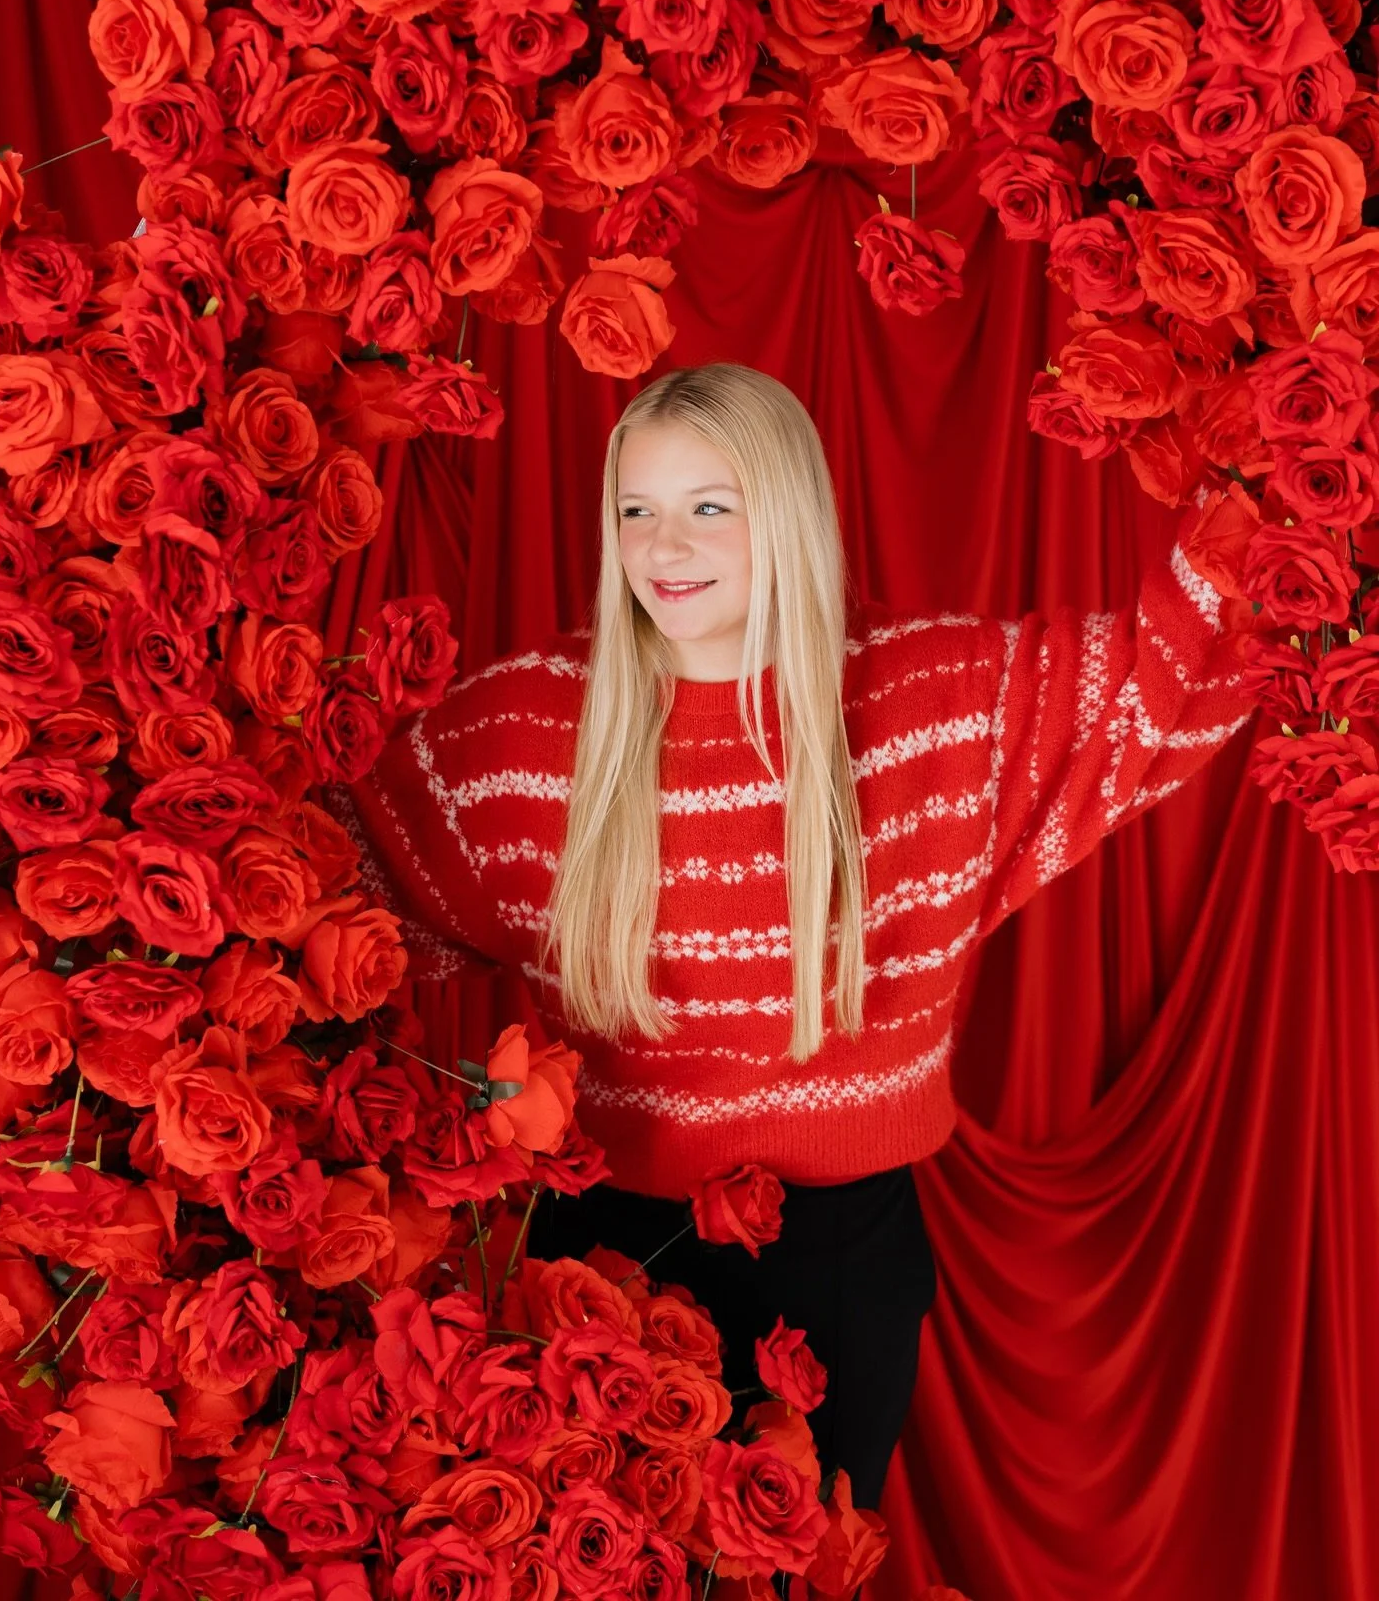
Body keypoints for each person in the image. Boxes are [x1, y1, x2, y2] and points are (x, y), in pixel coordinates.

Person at [353, 363, 1255, 1511]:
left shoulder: (940, 700)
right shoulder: (531, 727)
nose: (664, 546)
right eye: (636, 510)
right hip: (596, 1256)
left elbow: (1168, 680)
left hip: (840, 1263)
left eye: (707, 507)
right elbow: (339, 900)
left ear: (784, 508)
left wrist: (1273, 431)